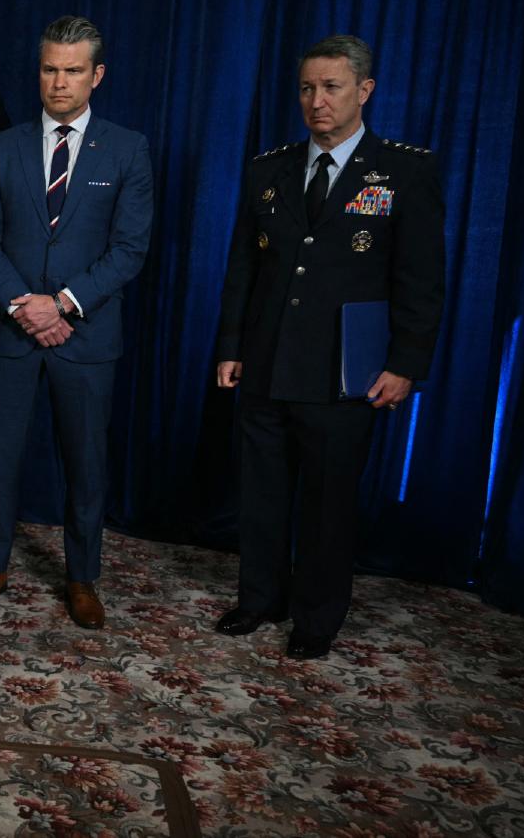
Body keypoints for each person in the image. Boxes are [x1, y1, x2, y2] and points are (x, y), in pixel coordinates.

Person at [214, 35, 445, 659]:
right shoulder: (269, 168)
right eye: (307, 88)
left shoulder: (405, 171)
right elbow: (243, 268)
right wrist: (231, 346)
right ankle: (261, 598)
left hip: (345, 370)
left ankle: (316, 618)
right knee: (261, 494)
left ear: (364, 91)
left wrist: (405, 364)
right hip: (266, 361)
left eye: (331, 87)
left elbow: (421, 281)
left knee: (327, 504)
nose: (316, 101)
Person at [0, 16, 154, 629]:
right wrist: (27, 306)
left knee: (86, 466)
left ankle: (82, 577)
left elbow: (129, 249)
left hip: (85, 337)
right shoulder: (2, 147)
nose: (60, 82)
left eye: (73, 71)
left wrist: (62, 304)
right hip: (10, 333)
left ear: (97, 75)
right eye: (49, 69)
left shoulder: (127, 149)